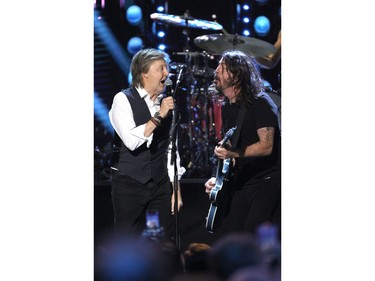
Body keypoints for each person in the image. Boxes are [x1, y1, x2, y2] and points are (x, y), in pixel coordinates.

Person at [204, 50, 281, 237]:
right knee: (231, 233)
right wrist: (217, 178)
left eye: (222, 67)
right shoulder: (228, 106)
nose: (216, 71)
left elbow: (266, 146)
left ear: (237, 76)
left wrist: (234, 153)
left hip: (267, 180)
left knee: (252, 236)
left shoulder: (260, 103)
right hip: (244, 179)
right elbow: (231, 145)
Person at [108, 48, 183, 240]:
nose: (166, 74)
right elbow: (132, 141)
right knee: (128, 240)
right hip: (129, 184)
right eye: (161, 69)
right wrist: (159, 115)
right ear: (145, 73)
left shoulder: (167, 105)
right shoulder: (123, 99)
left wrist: (176, 189)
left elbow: (170, 149)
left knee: (158, 239)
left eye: (166, 69)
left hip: (159, 185)